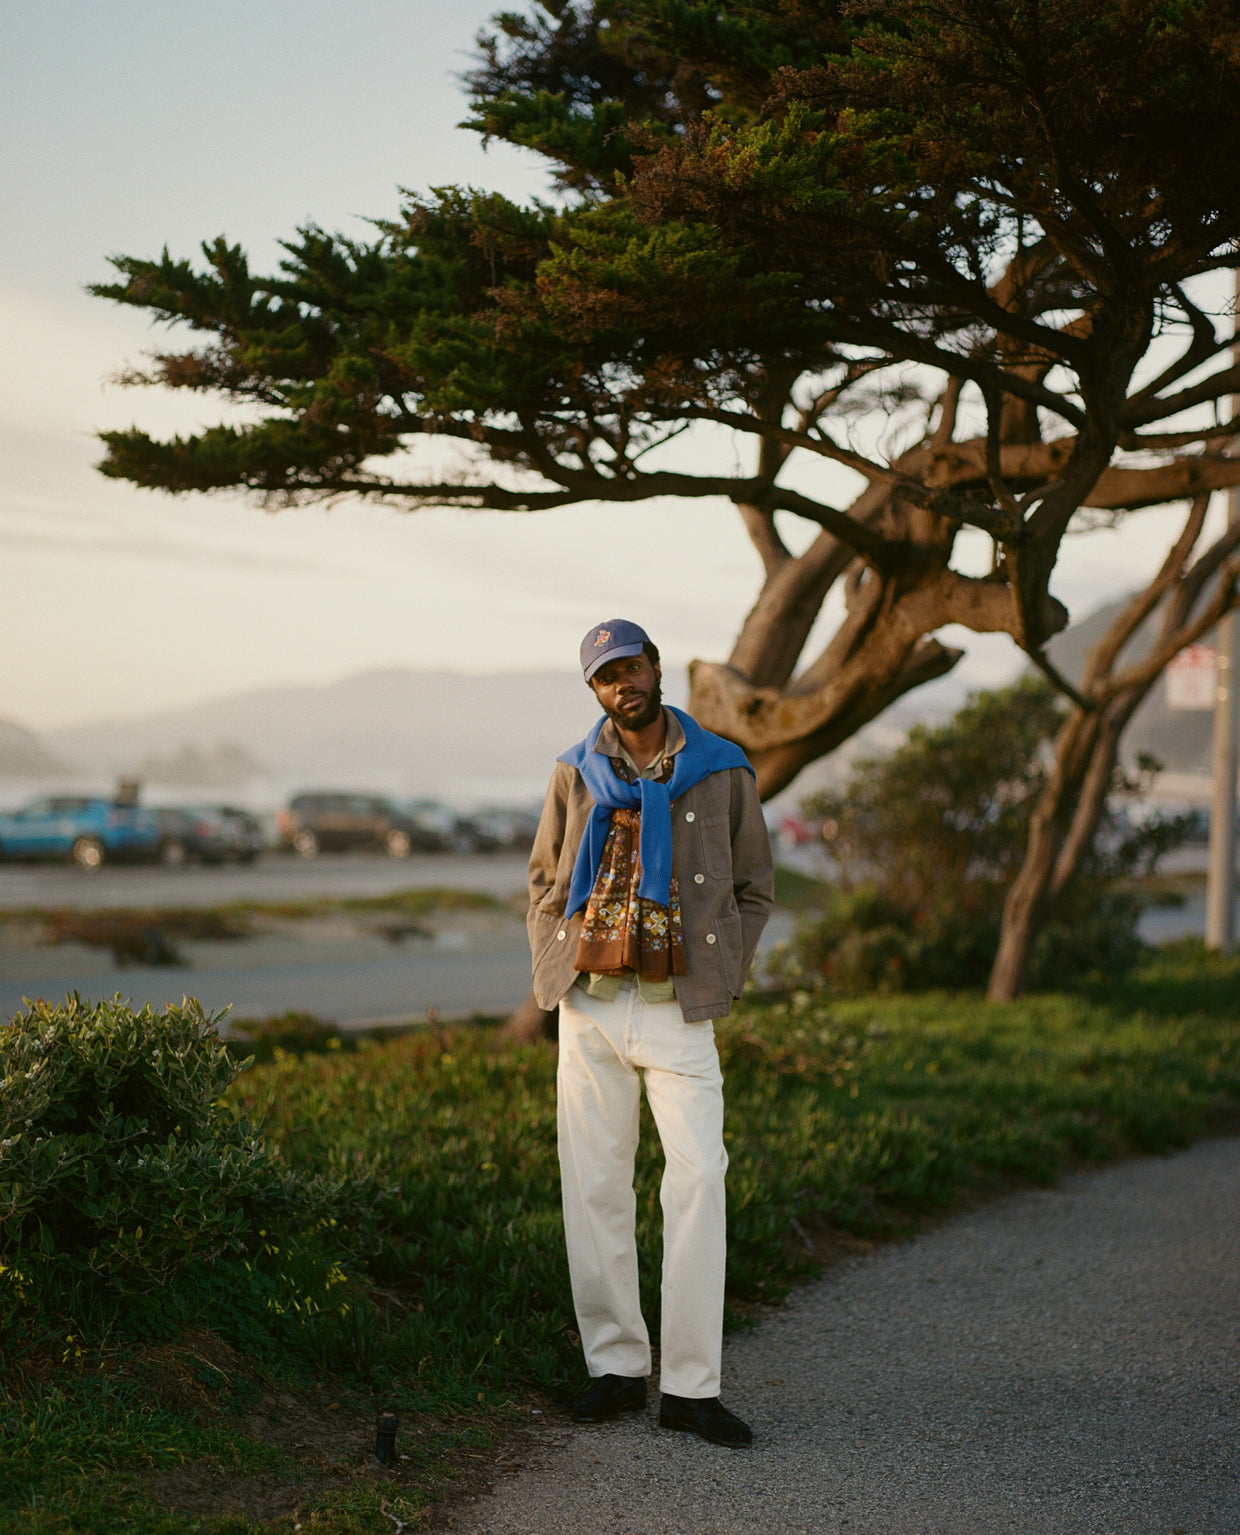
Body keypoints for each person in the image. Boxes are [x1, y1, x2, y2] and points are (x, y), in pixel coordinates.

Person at [527, 618, 774, 1448]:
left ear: (656, 666)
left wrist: (726, 971)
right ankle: (617, 1368)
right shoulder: (575, 770)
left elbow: (753, 885)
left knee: (699, 1177)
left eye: (631, 666)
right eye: (605, 677)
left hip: (678, 1007)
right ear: (595, 689)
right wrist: (550, 965)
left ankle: (692, 1388)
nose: (622, 684)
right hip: (592, 1003)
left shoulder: (722, 766)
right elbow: (543, 879)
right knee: (593, 1185)